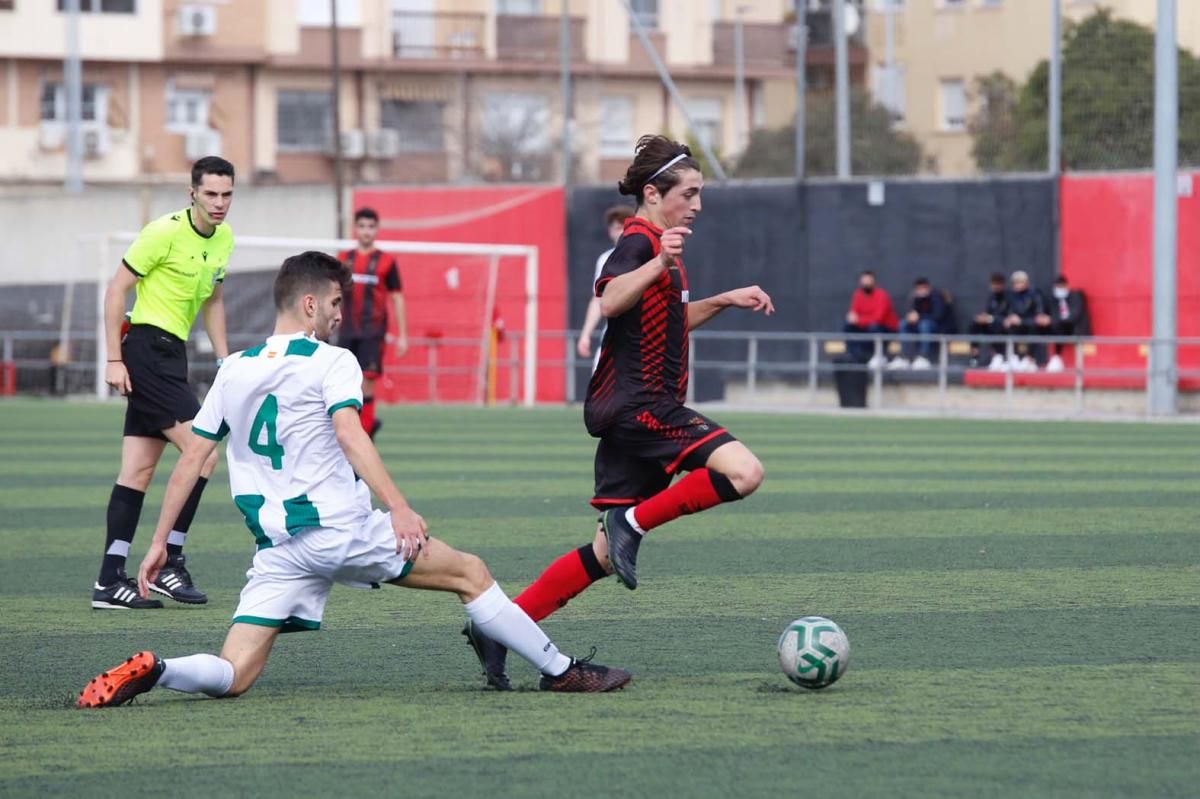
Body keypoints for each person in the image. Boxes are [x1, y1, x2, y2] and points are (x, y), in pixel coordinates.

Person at [75, 252, 631, 708]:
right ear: (310, 304)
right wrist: (400, 507)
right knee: (472, 574)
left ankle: (158, 668)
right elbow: (350, 432)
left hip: (280, 549)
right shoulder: (332, 361)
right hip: (342, 531)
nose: (341, 314)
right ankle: (561, 671)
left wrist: (158, 547)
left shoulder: (234, 369)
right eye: (336, 303)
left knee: (234, 672)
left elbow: (192, 459)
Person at [461, 135, 773, 691]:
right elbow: (609, 302)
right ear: (654, 194)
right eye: (690, 193)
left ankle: (502, 629)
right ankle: (631, 520)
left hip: (634, 411)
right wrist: (658, 261)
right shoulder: (637, 242)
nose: (698, 204)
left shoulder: (658, 248)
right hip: (642, 405)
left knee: (605, 557)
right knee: (744, 472)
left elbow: (670, 318)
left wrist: (724, 298)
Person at [93, 156, 235, 610]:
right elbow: (116, 289)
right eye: (210, 193)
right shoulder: (162, 232)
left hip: (173, 354)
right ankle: (170, 561)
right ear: (191, 193)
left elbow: (213, 298)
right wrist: (114, 358)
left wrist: (224, 358)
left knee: (138, 470)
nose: (219, 203)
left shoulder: (225, 239)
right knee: (203, 453)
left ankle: (108, 582)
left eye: (227, 194)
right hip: (146, 350)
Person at [336, 207, 407, 440]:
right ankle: (352, 430)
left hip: (373, 332)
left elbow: (397, 297)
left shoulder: (386, 261)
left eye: (371, 226)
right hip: (347, 331)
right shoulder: (344, 259)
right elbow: (332, 292)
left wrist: (403, 335)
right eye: (362, 226)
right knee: (345, 383)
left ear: (377, 229)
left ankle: (365, 434)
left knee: (367, 383)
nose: (366, 231)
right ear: (355, 229)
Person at [576, 205, 635, 362]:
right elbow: (598, 299)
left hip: (640, 336)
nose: (621, 232)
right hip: (613, 335)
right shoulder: (605, 260)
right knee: (600, 380)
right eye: (616, 228)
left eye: (624, 227)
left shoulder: (646, 257)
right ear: (610, 231)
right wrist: (586, 334)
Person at [889, 277, 951, 370]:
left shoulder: (936, 297)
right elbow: (911, 311)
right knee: (903, 324)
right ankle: (904, 357)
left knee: (925, 324)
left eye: (923, 288)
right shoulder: (914, 298)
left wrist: (920, 317)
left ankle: (923, 357)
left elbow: (938, 315)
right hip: (918, 325)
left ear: (928, 288)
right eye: (919, 289)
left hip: (937, 327)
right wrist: (910, 317)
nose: (921, 291)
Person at [843, 270, 898, 366]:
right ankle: (853, 357)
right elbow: (853, 313)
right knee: (848, 326)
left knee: (874, 327)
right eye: (864, 281)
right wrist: (853, 318)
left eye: (869, 281)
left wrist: (859, 320)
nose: (866, 283)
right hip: (865, 326)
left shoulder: (882, 295)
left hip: (885, 328)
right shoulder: (858, 294)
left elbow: (878, 318)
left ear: (873, 282)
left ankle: (878, 356)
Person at [1038, 275, 1090, 373]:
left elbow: (1072, 317)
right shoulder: (1052, 299)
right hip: (1056, 328)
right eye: (1057, 287)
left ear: (1066, 286)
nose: (1059, 289)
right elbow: (1048, 314)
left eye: (1061, 286)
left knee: (1059, 325)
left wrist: (1052, 320)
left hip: (1073, 329)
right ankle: (1035, 360)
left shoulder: (1076, 297)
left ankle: (1057, 357)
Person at [1003, 270, 1049, 371]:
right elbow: (1008, 311)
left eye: (1020, 282)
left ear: (1026, 282)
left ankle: (1030, 359)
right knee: (1005, 326)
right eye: (1015, 282)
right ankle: (1012, 358)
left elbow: (1040, 316)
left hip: (1032, 324)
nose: (1017, 284)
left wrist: (1022, 321)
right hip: (1018, 325)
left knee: (1035, 327)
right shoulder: (1011, 296)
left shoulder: (1035, 294)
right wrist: (1009, 318)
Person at [969, 272, 1011, 371]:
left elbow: (1006, 316)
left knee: (996, 325)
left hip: (1005, 326)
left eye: (997, 284)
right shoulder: (992, 297)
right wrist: (983, 318)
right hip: (992, 323)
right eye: (993, 284)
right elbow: (988, 312)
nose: (995, 287)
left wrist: (990, 318)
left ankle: (999, 356)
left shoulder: (1008, 297)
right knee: (974, 324)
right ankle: (974, 355)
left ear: (1002, 285)